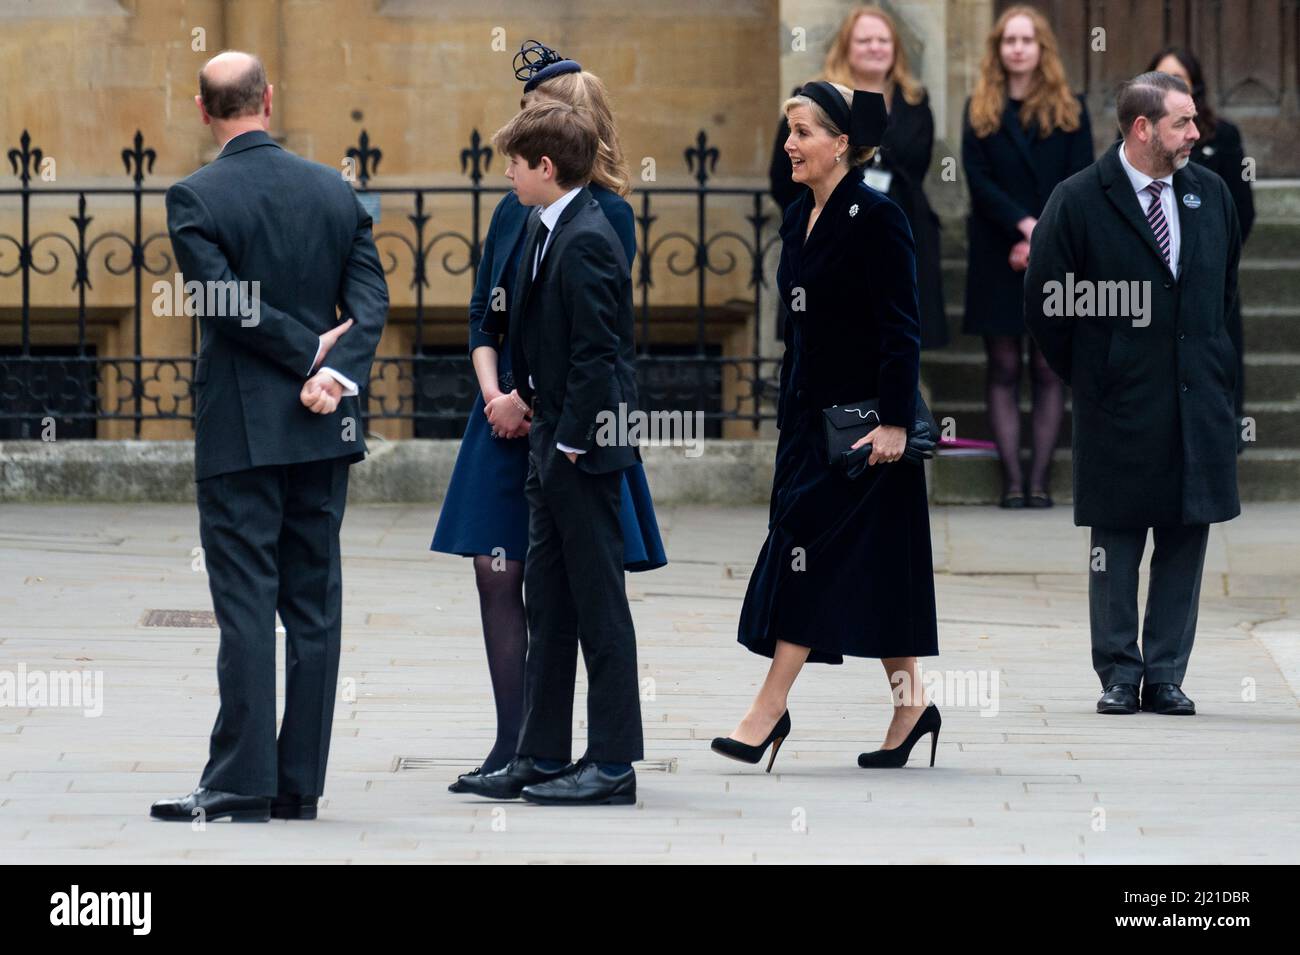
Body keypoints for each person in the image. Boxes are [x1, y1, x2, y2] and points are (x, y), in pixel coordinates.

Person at [151, 51, 388, 822]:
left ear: (201, 109)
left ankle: (239, 781)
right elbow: (372, 300)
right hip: (326, 427)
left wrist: (302, 353)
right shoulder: (335, 192)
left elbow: (227, 301)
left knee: (247, 601)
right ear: (268, 98)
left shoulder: (195, 196)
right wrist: (333, 369)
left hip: (243, 434)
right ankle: (298, 785)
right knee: (314, 603)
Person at [434, 42, 665, 794]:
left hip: (574, 442)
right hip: (535, 437)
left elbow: (601, 353)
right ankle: (535, 751)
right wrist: (502, 391)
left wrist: (564, 439)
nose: (506, 164)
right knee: (549, 597)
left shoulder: (597, 227)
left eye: (519, 147)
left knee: (598, 603)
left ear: (548, 156)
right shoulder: (535, 219)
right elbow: (500, 320)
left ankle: (610, 762)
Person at [713, 82, 941, 773]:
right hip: (809, 424)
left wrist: (898, 424)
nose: (790, 144)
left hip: (867, 430)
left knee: (808, 554)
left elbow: (903, 329)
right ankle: (913, 706)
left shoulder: (878, 217)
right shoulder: (795, 217)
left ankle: (768, 710)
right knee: (878, 573)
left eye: (804, 131)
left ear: (840, 143)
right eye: (789, 130)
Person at [1024, 71, 1243, 717]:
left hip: (1196, 395)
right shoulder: (1080, 199)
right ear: (1143, 128)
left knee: (1185, 535)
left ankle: (1166, 673)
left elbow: (1224, 297)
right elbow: (1046, 303)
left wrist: (1223, 379)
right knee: (1115, 541)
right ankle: (1119, 672)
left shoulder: (1211, 194)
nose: (1196, 133)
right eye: (1182, 122)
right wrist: (1098, 372)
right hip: (1119, 401)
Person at [961, 5, 1093, 507]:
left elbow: (1080, 178)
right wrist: (1023, 227)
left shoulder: (1071, 108)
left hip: (1058, 251)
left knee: (1045, 365)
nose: (1018, 48)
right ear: (998, 49)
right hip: (997, 251)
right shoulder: (979, 108)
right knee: (1002, 366)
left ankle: (1039, 482)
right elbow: (978, 180)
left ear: (1042, 49)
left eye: (1027, 40)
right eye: (1009, 40)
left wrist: (1043, 235)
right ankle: (1011, 481)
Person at [769, 4, 947, 350]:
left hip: (901, 233)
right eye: (864, 40)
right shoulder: (813, 100)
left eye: (883, 40)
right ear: (846, 47)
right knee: (833, 343)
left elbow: (916, 168)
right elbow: (783, 175)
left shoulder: (915, 102)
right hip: (833, 237)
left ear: (895, 48)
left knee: (896, 342)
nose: (875, 47)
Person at [1146, 47, 1252, 427]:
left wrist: (1209, 260)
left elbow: (1243, 210)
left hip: (1209, 274)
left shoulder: (1223, 136)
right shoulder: (1138, 141)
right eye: (1161, 81)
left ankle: (1228, 423)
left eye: (1180, 81)